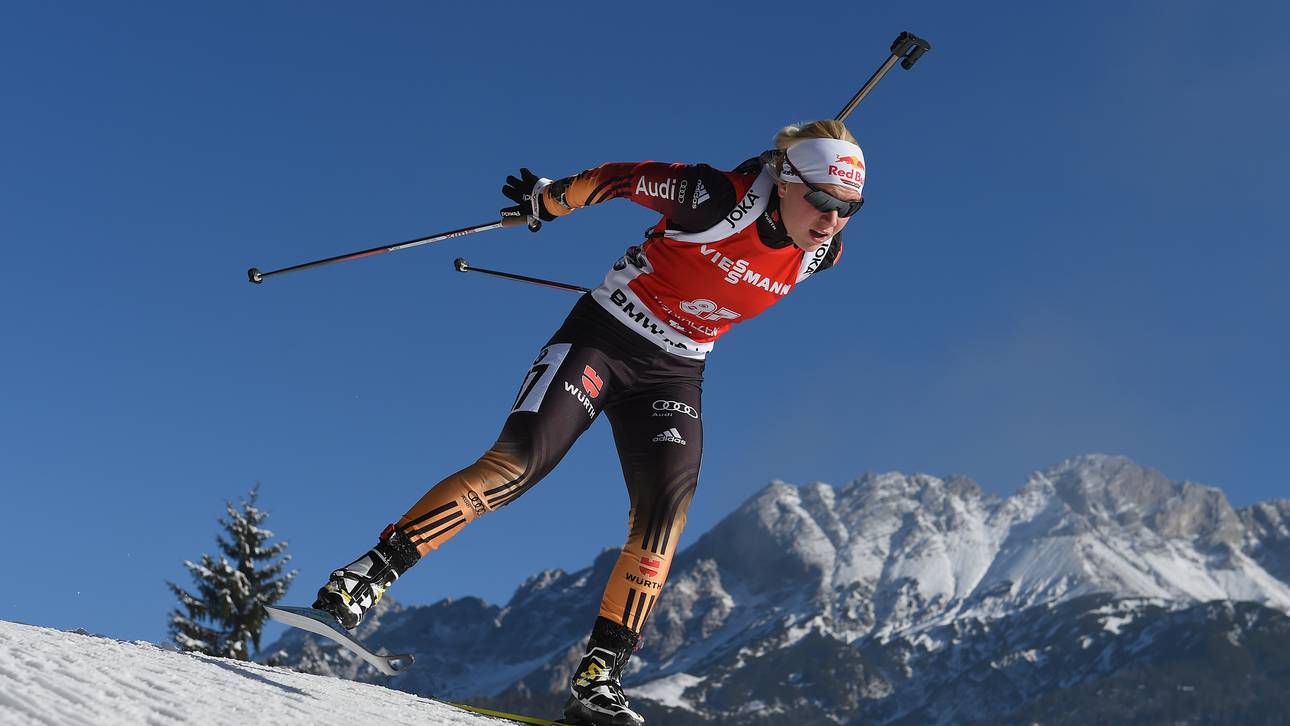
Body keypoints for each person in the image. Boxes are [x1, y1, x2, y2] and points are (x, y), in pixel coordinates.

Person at [312, 119, 866, 726]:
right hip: (603, 338)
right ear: (784, 180)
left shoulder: (823, 253)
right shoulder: (714, 197)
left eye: (848, 208)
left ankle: (599, 678)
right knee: (519, 464)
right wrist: (550, 200)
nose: (831, 219)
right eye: (821, 199)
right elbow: (618, 178)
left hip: (675, 374)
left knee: (664, 515)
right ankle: (362, 578)